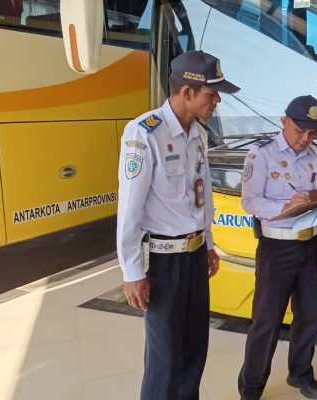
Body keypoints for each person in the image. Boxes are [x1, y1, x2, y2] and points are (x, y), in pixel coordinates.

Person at [116, 50, 239, 400]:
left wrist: (209, 243)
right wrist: (132, 272)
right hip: (162, 262)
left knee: (194, 347)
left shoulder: (198, 134)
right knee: (165, 357)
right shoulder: (144, 133)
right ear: (187, 93)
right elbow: (129, 208)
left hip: (194, 256)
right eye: (211, 94)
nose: (216, 101)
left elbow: (202, 199)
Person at [237, 95, 317, 400]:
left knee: (309, 315)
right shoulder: (261, 155)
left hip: (312, 245)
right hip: (276, 247)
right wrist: (287, 204)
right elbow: (250, 201)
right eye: (300, 131)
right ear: (284, 122)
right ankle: (252, 387)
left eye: (313, 133)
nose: (306, 138)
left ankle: (300, 373)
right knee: (266, 322)